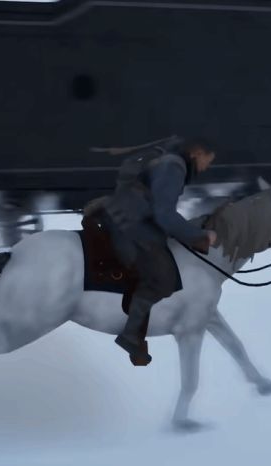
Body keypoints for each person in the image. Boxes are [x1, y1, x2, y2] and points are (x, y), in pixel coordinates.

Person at [93, 136, 217, 366]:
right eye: (208, 160)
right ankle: (131, 335)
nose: (207, 166)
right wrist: (198, 236)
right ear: (197, 153)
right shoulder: (174, 167)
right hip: (130, 225)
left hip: (126, 217)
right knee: (164, 278)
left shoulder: (167, 161)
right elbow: (164, 215)